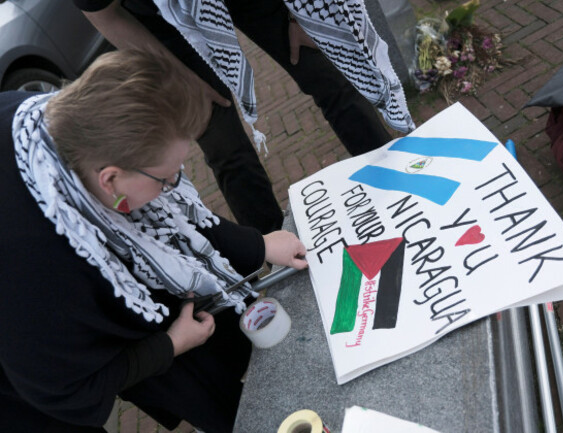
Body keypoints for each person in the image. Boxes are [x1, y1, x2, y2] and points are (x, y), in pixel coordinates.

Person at [0, 48, 308, 433]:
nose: (174, 187)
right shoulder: (38, 276)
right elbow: (66, 391)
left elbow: (173, 216)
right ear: (109, 179)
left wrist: (259, 245)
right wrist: (169, 346)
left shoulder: (58, 119)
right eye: (165, 179)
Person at [73, 0, 396, 235]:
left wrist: (300, 15)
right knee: (223, 144)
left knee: (328, 77)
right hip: (162, 20)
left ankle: (396, 184)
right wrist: (179, 79)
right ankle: (279, 252)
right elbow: (105, 14)